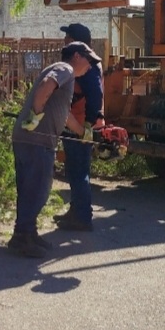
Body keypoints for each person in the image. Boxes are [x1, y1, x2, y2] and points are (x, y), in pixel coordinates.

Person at [8, 41, 102, 258]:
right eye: (88, 61)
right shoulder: (65, 69)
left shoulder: (66, 78)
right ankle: (22, 237)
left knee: (30, 188)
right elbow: (45, 87)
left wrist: (82, 133)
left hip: (31, 140)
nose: (90, 67)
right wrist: (36, 113)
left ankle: (27, 233)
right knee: (38, 190)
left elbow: (64, 114)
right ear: (77, 56)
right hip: (36, 141)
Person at [55, 23, 106, 232]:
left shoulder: (87, 63)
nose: (65, 40)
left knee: (78, 171)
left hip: (79, 125)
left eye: (68, 36)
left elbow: (95, 95)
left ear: (76, 40)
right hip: (75, 125)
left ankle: (83, 217)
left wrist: (87, 125)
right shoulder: (86, 61)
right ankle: (76, 211)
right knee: (74, 169)